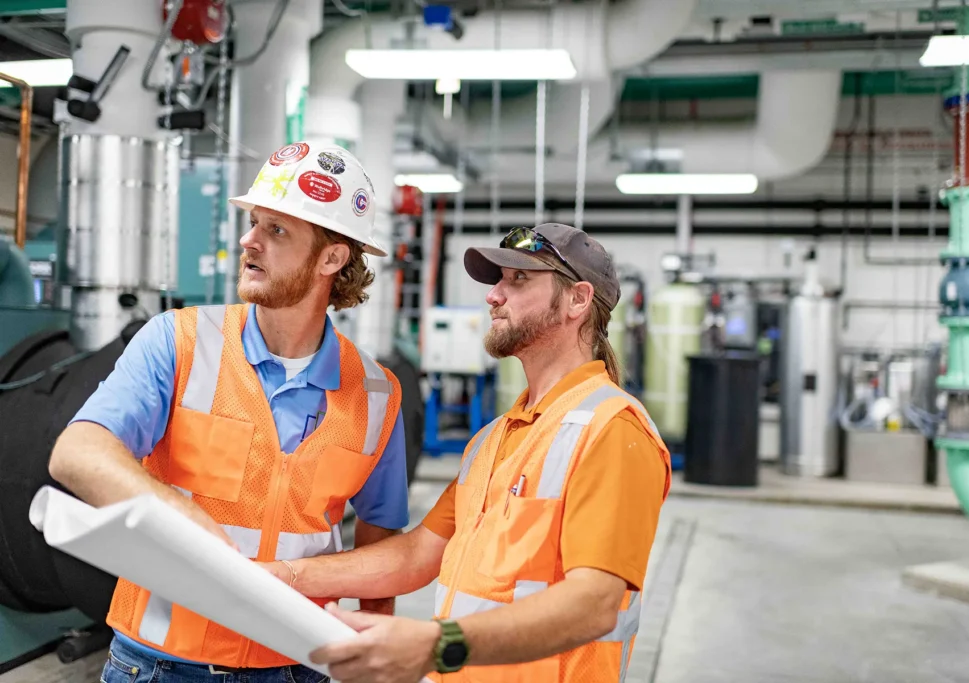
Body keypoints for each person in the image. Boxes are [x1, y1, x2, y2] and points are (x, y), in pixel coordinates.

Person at [48, 141, 408, 683]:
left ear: (332, 259)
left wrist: (375, 654)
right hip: (158, 663)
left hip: (296, 665)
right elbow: (76, 453)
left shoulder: (378, 393)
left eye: (277, 230)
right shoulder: (179, 342)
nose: (248, 240)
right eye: (254, 222)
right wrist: (183, 517)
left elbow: (380, 539)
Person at [262, 223, 672, 683]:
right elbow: (417, 556)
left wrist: (437, 645)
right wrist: (282, 575)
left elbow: (595, 603)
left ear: (577, 300)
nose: (494, 296)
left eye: (518, 281)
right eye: (498, 280)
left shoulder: (612, 429)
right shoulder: (492, 439)